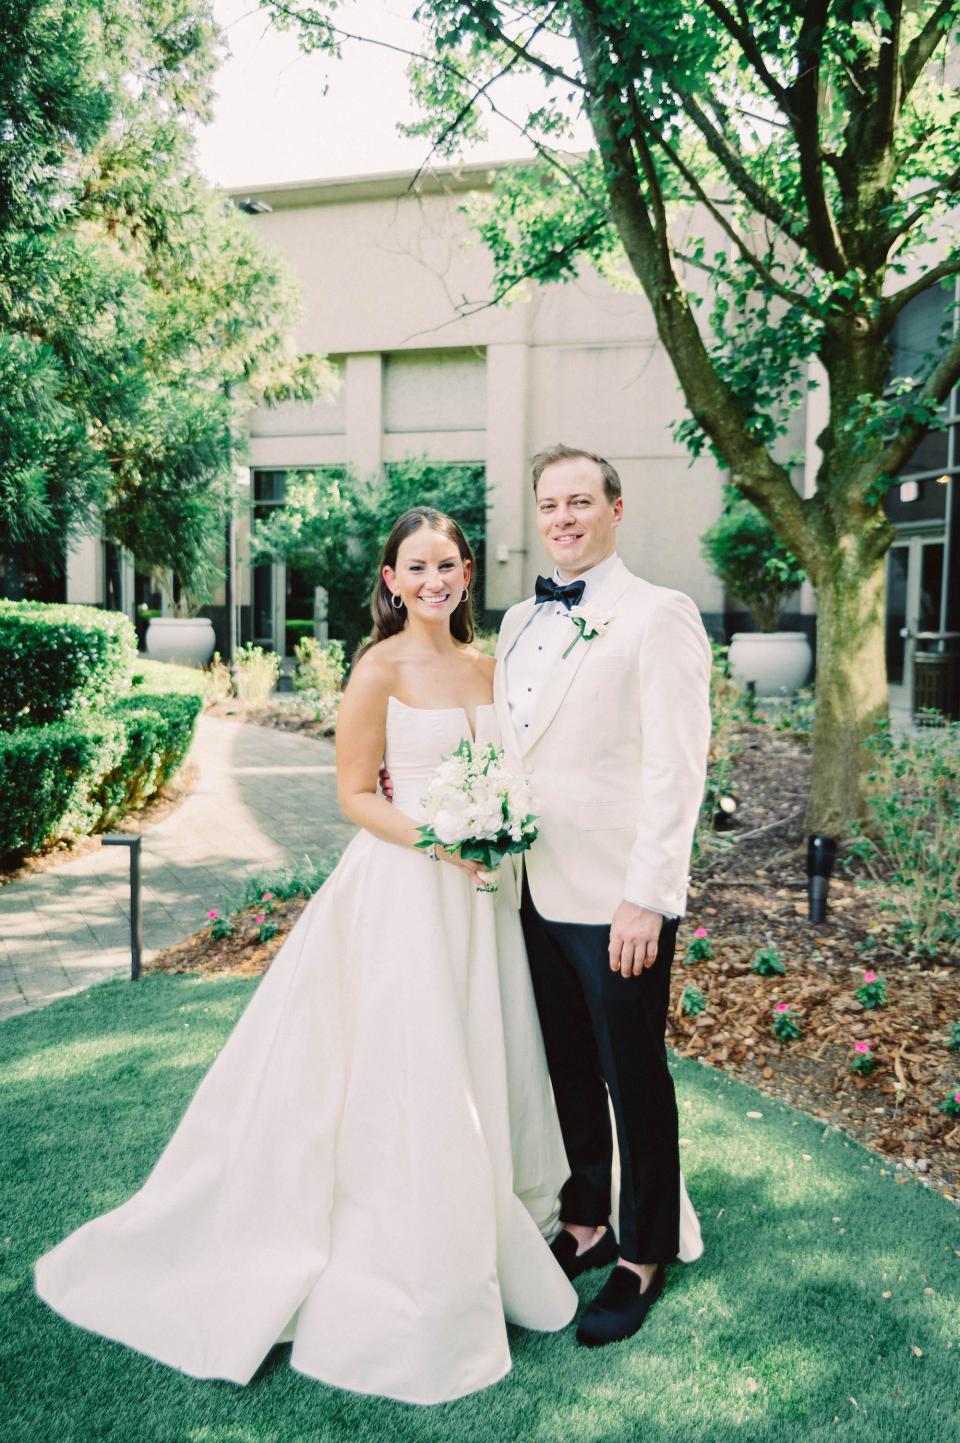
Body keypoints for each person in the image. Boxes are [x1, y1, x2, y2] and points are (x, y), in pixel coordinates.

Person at [33, 507, 577, 1406]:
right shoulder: (378, 667)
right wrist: (442, 835)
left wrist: (501, 824)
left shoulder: (491, 666)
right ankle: (407, 1241)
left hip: (487, 897)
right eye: (417, 566)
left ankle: (492, 1213)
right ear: (392, 581)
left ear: (468, 573)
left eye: (449, 563)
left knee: (486, 1045)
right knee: (407, 1065)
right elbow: (354, 794)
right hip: (407, 889)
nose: (434, 579)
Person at [493, 443, 711, 1348]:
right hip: (531, 890)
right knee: (568, 1070)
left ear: (616, 509)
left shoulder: (660, 614)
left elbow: (676, 767)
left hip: (617, 900)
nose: (564, 518)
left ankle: (644, 1253)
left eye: (581, 501)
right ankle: (587, 1217)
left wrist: (647, 897)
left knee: (635, 1077)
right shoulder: (512, 622)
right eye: (550, 505)